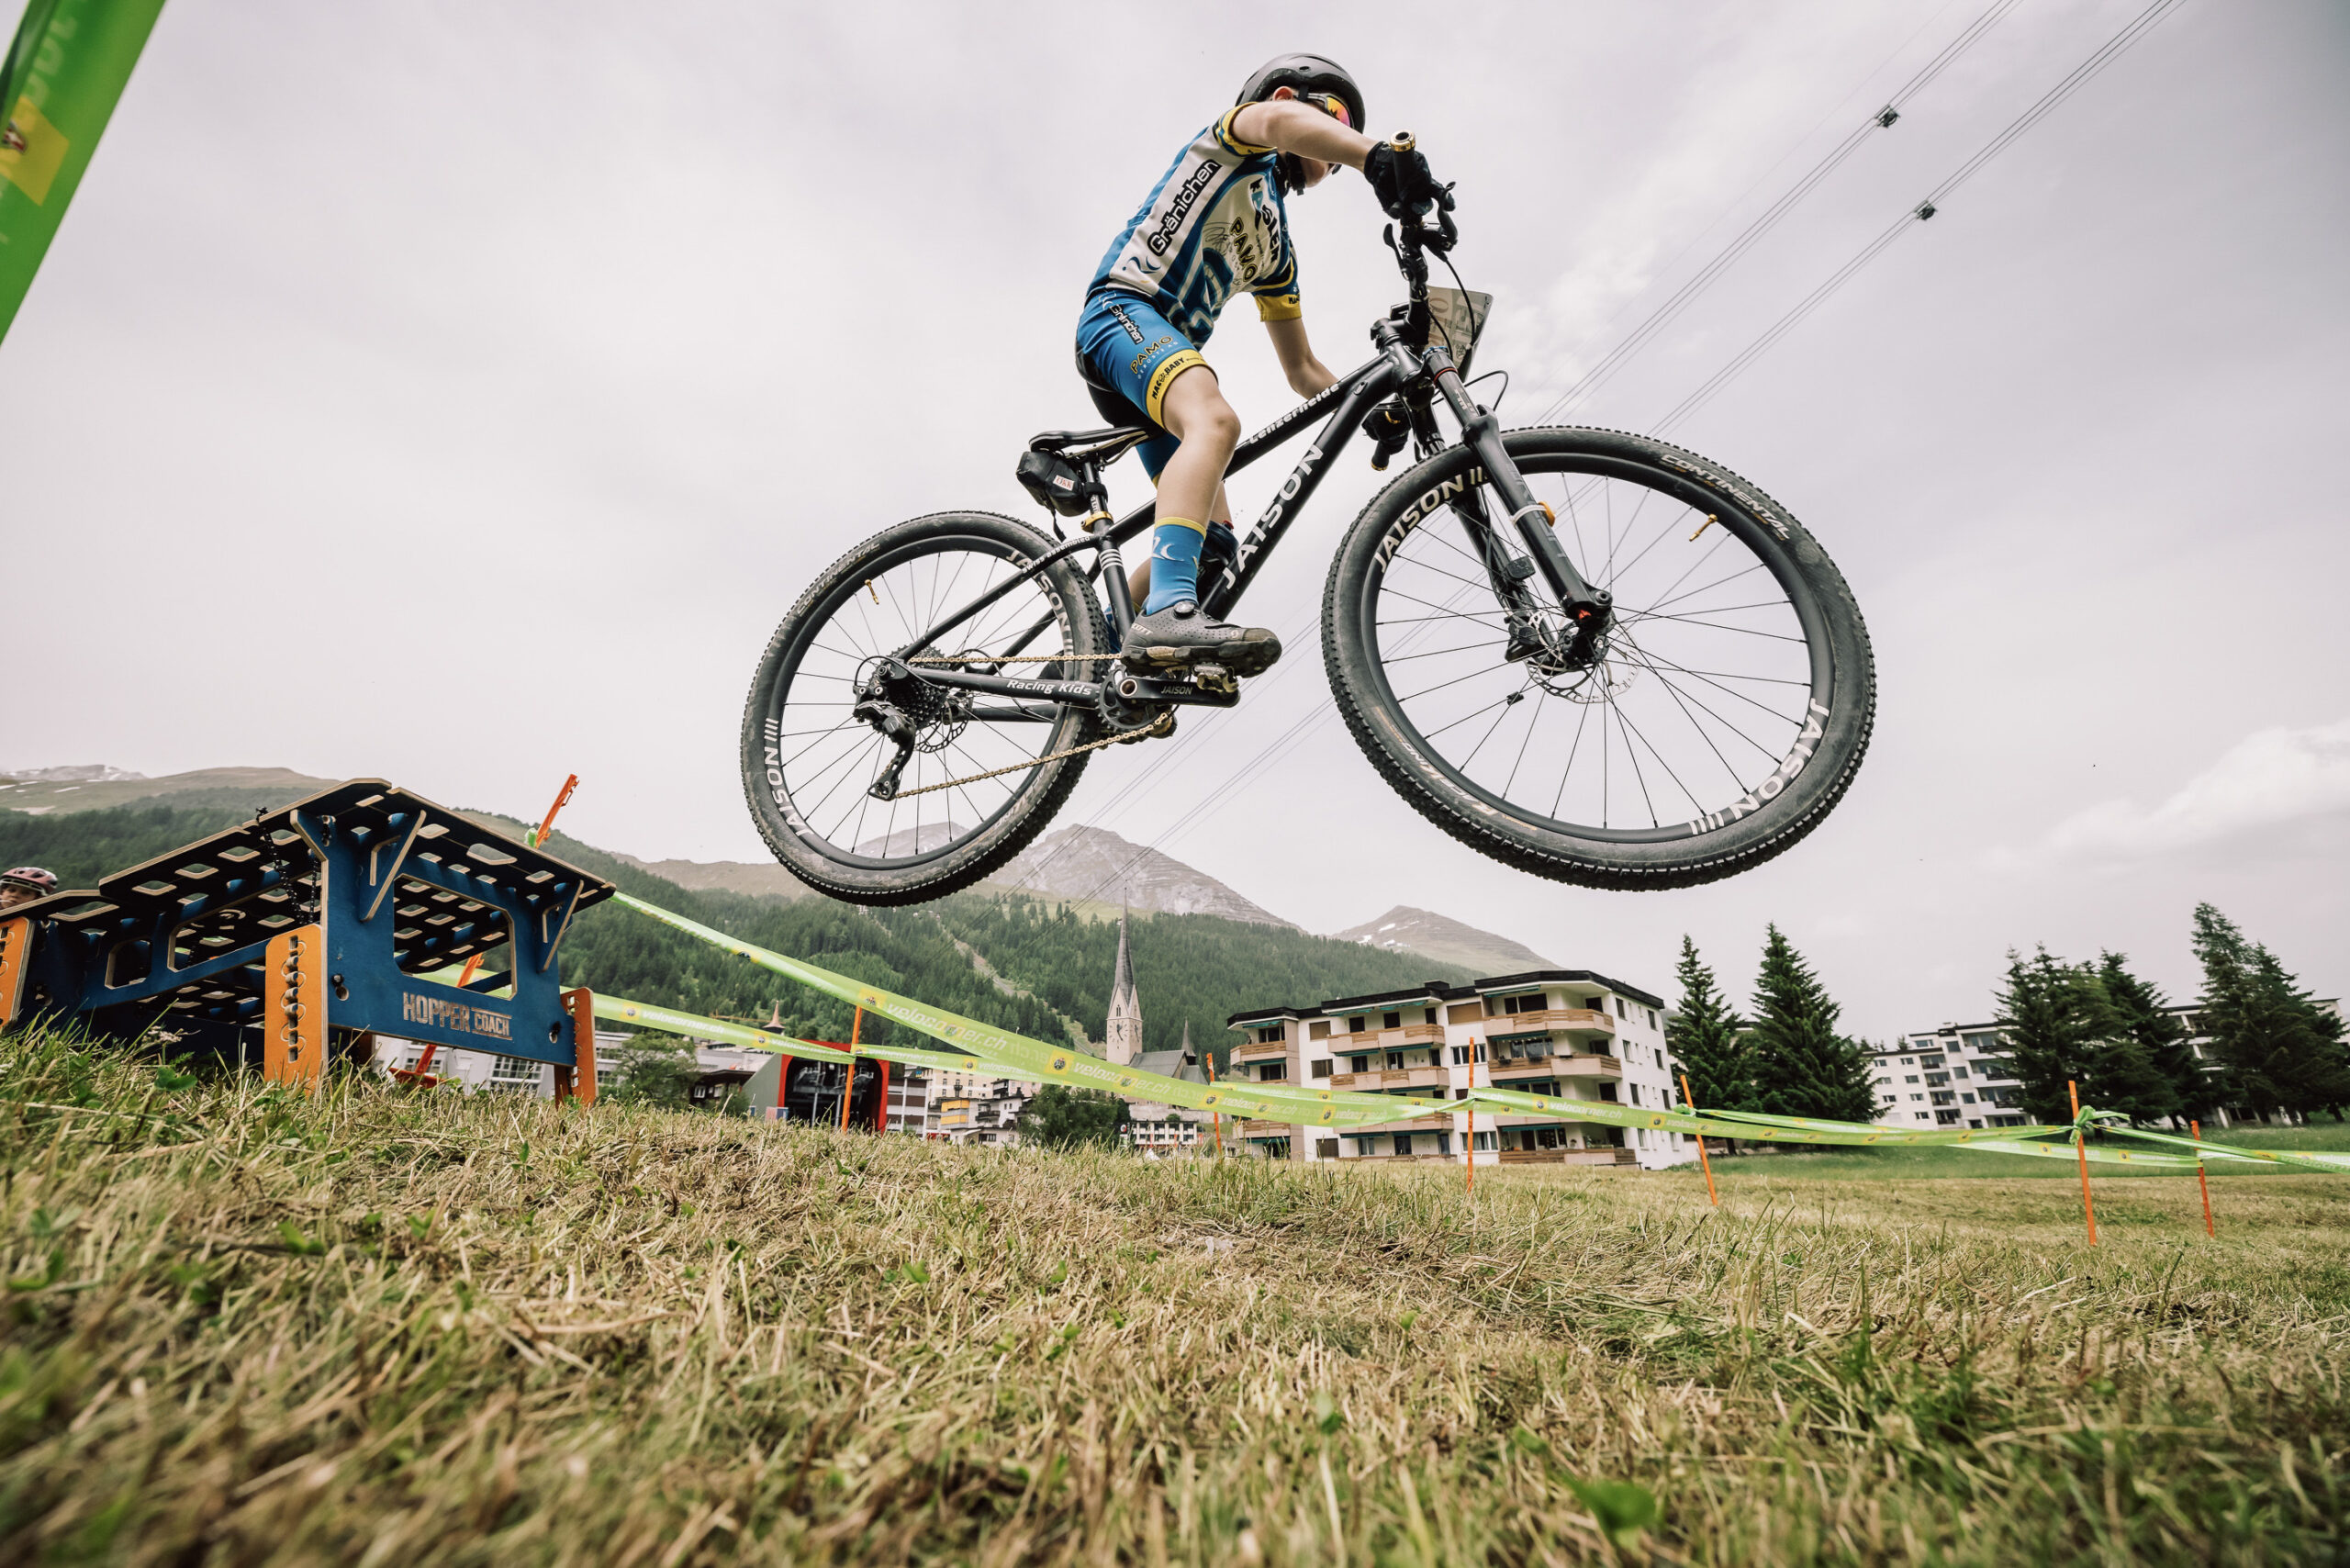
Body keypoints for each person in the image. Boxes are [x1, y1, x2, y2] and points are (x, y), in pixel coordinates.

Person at [1076, 54, 1444, 674]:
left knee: (1214, 545)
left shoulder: (1277, 250)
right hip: (1122, 312)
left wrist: (1371, 408)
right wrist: (1376, 155)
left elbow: (1302, 370)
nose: (1337, 145)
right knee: (1216, 422)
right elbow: (1276, 124)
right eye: (1337, 119)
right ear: (1285, 96)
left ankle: (1093, 660)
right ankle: (1165, 614)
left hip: (1157, 362)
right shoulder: (1237, 138)